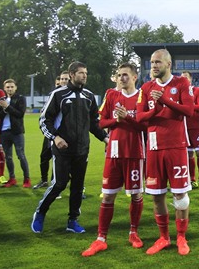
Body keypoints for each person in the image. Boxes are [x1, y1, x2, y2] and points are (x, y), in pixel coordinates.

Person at [31, 61, 108, 234]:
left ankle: (72, 221)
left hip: (82, 149)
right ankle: (40, 213)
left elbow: (94, 124)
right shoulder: (58, 94)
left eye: (86, 73)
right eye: (81, 73)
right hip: (62, 149)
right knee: (59, 184)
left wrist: (105, 138)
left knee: (78, 186)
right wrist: (55, 137)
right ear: (72, 74)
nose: (85, 76)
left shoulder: (89, 96)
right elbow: (44, 120)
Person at [82, 63, 146, 257]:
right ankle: (101, 239)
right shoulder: (111, 95)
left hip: (135, 152)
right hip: (114, 152)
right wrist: (117, 121)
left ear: (135, 77)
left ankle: (133, 232)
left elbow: (145, 124)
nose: (121, 78)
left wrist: (127, 117)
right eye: (119, 75)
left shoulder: (141, 97)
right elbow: (101, 122)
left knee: (136, 194)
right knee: (108, 195)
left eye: (125, 75)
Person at [135, 49, 194, 255]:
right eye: (152, 62)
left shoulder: (181, 84)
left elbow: (189, 110)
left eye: (158, 62)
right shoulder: (146, 87)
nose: (153, 65)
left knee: (181, 195)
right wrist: (155, 111)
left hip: (176, 146)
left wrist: (165, 101)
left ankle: (181, 237)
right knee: (156, 195)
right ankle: (163, 238)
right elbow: (139, 116)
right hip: (154, 147)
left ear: (169, 64)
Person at [35, 71, 71, 189]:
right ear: (59, 81)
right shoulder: (54, 94)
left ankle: (62, 185)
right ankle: (44, 180)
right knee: (44, 156)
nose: (64, 81)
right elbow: (45, 114)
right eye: (62, 79)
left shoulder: (74, 95)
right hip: (51, 133)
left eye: (66, 79)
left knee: (65, 160)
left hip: (66, 134)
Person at [0, 79, 31, 188]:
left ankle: (27, 179)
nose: (10, 89)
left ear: (15, 87)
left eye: (12, 87)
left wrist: (7, 107)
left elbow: (20, 114)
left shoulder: (20, 98)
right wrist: (5, 108)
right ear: (4, 88)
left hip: (17, 132)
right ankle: (12, 178)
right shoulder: (2, 100)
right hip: (5, 132)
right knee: (8, 157)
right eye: (7, 87)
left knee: (21, 155)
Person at [182, 71, 199, 190]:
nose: (184, 79)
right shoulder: (180, 92)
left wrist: (187, 107)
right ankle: (192, 180)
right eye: (182, 78)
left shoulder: (198, 91)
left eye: (186, 77)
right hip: (185, 127)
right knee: (189, 153)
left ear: (190, 79)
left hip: (197, 127)